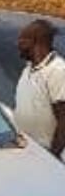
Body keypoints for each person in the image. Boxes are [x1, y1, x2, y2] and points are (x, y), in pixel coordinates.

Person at [16, 20, 65, 157]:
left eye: (22, 40)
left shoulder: (57, 71)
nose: (18, 44)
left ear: (36, 42)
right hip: (28, 153)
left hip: (47, 156)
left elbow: (63, 120)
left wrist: (53, 157)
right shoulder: (27, 70)